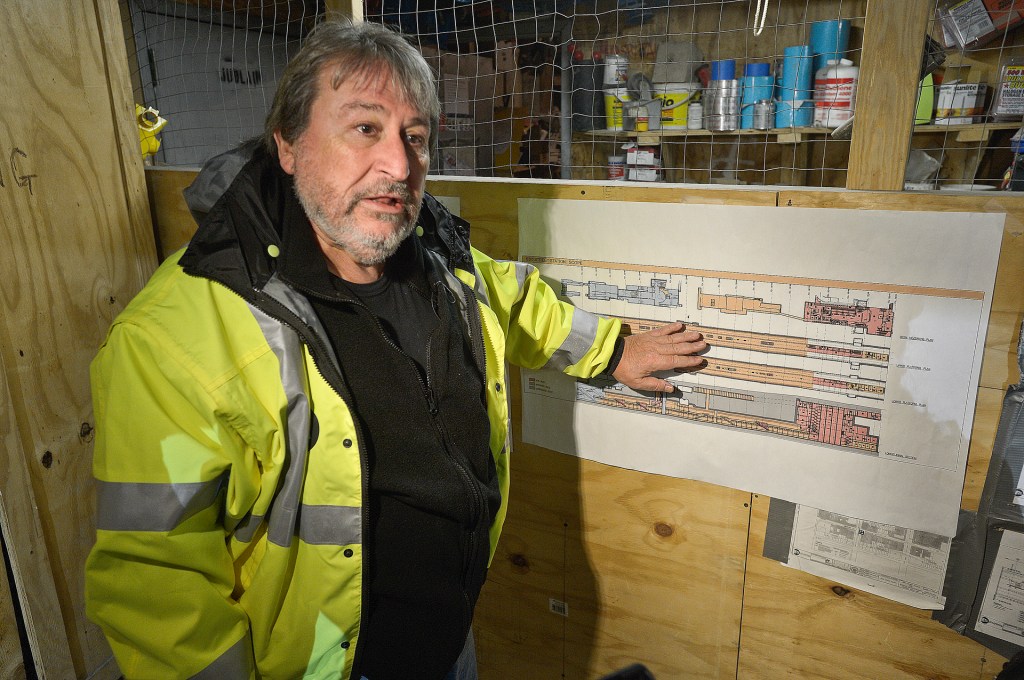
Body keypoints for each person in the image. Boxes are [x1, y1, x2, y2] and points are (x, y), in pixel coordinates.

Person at [85, 18, 707, 680]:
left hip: (450, 645)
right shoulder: (174, 336)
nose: (400, 166)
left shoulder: (437, 260)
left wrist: (612, 352)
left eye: (415, 136)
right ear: (288, 146)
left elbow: (513, 296)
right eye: (365, 128)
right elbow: (157, 582)